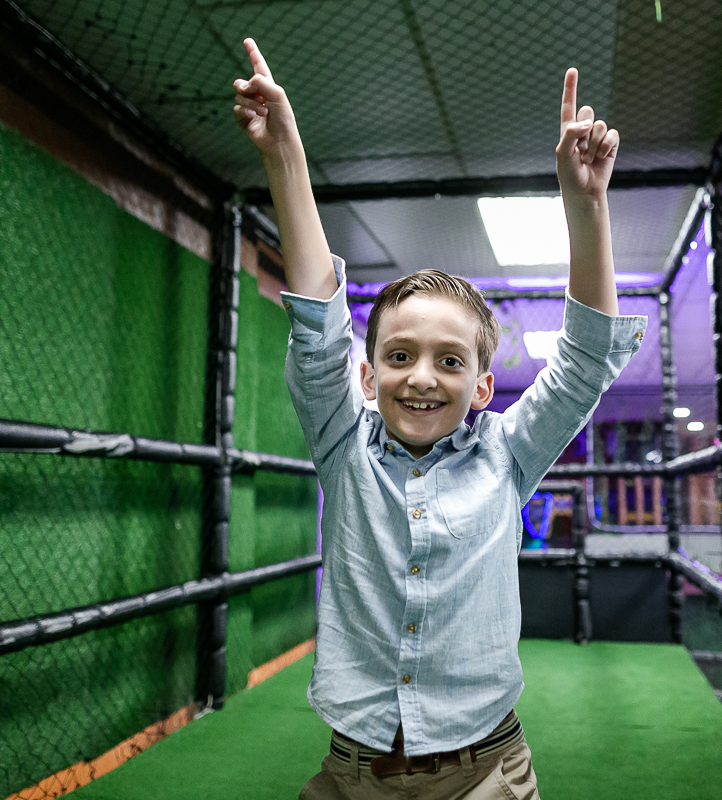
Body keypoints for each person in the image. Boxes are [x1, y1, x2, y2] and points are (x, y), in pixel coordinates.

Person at [233, 37, 646, 799]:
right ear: (367, 373)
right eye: (399, 356)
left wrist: (585, 205)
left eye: (450, 362)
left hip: (486, 773)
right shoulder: (343, 443)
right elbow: (318, 325)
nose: (421, 377)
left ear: (484, 385)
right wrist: (285, 155)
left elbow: (586, 361)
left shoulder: (507, 455)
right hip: (352, 773)